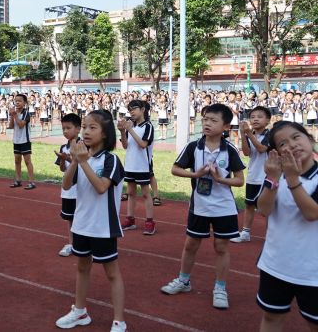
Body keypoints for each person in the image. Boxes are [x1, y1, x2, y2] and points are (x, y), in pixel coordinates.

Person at [162, 103, 245, 309]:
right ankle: (184, 280)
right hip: (199, 205)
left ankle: (220, 287)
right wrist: (195, 174)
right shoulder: (194, 146)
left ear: (225, 126)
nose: (207, 123)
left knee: (221, 247)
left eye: (213, 120)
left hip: (223, 207)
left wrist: (220, 179)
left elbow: (239, 180)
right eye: (205, 119)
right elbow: (175, 169)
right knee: (191, 244)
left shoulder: (230, 150)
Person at [255, 121, 318, 331]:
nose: (291, 145)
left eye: (296, 137)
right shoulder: (275, 177)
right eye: (283, 143)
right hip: (274, 264)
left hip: (312, 270)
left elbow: (312, 213)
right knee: (271, 318)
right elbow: (264, 209)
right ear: (277, 152)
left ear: (309, 139)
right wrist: (273, 178)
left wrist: (291, 179)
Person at [55, 110, 127, 332]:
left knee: (111, 273)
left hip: (102, 227)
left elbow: (101, 187)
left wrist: (83, 162)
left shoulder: (111, 160)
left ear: (105, 134)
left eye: (92, 127)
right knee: (82, 268)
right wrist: (76, 162)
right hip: (82, 224)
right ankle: (80, 311)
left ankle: (119, 321)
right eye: (84, 126)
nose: (85, 131)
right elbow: (66, 185)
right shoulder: (84, 158)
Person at [231, 106, 271, 243]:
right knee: (249, 205)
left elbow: (261, 149)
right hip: (253, 175)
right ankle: (246, 233)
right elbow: (247, 153)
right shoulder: (250, 133)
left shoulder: (270, 135)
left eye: (259, 117)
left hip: (267, 176)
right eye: (253, 117)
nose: (255, 119)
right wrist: (243, 134)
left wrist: (249, 133)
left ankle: (274, 234)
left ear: (267, 121)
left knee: (266, 208)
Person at [118, 100, 156, 235]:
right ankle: (130, 219)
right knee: (130, 193)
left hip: (143, 166)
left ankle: (150, 221)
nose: (132, 112)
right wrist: (123, 132)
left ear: (143, 109)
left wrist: (129, 129)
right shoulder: (131, 126)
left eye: (134, 109)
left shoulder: (148, 126)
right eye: (130, 110)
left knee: (146, 194)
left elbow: (143, 144)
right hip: (130, 164)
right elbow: (125, 146)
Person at [54, 113, 81, 257]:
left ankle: (82, 243)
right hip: (68, 190)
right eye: (63, 128)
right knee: (70, 217)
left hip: (81, 189)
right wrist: (63, 160)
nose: (65, 131)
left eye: (68, 128)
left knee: (81, 216)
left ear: (78, 129)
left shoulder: (83, 145)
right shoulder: (63, 147)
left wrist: (70, 158)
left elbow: (83, 165)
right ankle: (71, 243)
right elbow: (63, 169)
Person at [8, 94, 36, 190]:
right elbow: (11, 126)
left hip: (25, 140)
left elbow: (20, 125)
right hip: (16, 140)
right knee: (17, 161)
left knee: (27, 161)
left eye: (19, 101)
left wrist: (15, 115)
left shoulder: (26, 113)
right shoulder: (14, 113)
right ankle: (18, 180)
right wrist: (12, 116)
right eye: (16, 101)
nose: (17, 102)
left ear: (24, 103)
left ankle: (31, 182)